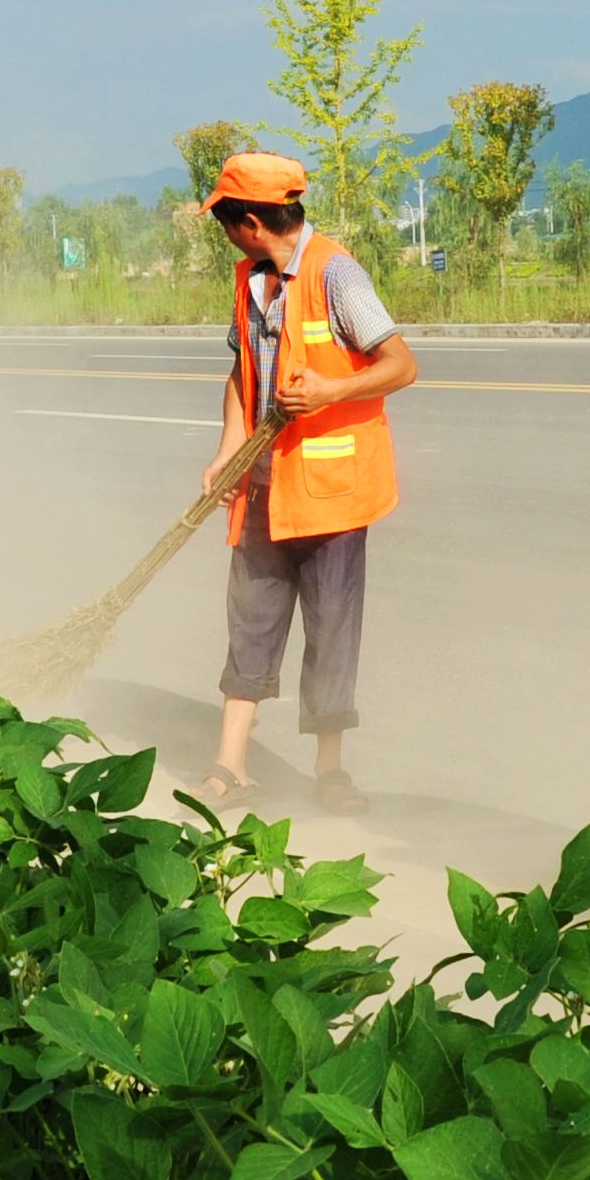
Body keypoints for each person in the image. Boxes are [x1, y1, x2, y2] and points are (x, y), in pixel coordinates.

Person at [196, 152, 416, 816]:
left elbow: (401, 364)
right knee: (251, 622)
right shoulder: (248, 278)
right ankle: (230, 766)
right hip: (264, 488)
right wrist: (227, 450)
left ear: (253, 221)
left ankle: (331, 771)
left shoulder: (336, 273)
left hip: (331, 493)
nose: (226, 235)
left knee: (331, 629)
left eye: (228, 222)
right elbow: (242, 375)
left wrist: (329, 389)